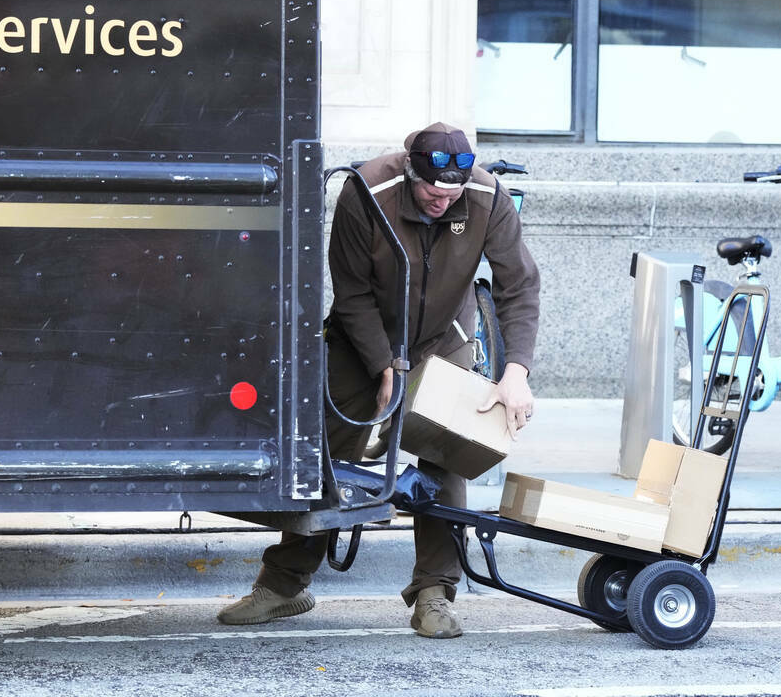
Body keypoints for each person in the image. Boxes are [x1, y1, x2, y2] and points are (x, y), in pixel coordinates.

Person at [216, 121, 540, 637]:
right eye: (432, 192)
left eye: (452, 192)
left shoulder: (487, 197)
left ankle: (434, 593)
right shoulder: (366, 189)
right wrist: (383, 366)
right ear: (411, 172)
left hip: (443, 336)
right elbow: (351, 289)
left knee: (446, 453)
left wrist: (516, 371)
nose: (441, 201)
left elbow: (518, 286)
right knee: (328, 449)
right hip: (361, 335)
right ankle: (282, 585)